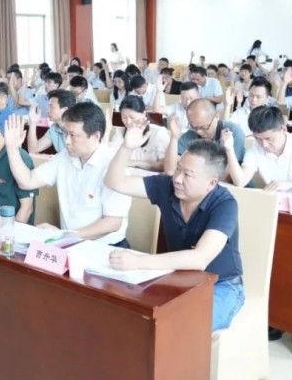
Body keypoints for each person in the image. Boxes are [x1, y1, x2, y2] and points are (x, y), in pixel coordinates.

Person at [105, 136, 244, 332]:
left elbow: (200, 259)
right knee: (130, 311)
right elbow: (115, 182)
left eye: (188, 174)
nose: (177, 179)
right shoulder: (167, 186)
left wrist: (139, 261)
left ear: (211, 183)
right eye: (178, 168)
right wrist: (126, 147)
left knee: (184, 326)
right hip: (178, 278)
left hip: (222, 286)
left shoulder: (225, 204)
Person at [4, 103, 132, 246]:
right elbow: (27, 181)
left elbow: (112, 223)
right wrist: (12, 148)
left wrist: (66, 235)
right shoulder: (64, 156)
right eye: (65, 133)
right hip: (70, 242)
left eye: (73, 135)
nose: (66, 141)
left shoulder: (114, 165)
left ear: (95, 136)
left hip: (105, 247)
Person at [224, 106, 292, 202]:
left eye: (269, 138)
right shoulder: (256, 148)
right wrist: (229, 149)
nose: (264, 144)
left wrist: (290, 184)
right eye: (258, 138)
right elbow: (240, 182)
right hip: (280, 207)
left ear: (283, 129)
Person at [164, 99, 245, 176]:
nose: (198, 131)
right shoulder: (190, 134)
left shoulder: (232, 132)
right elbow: (170, 171)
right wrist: (174, 138)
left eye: (204, 127)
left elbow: (229, 175)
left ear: (216, 117)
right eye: (193, 126)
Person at [109, 96, 169, 172]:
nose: (128, 122)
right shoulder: (119, 131)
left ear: (143, 114)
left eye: (132, 117)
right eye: (124, 117)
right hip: (126, 175)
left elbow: (164, 165)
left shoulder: (158, 132)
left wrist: (134, 163)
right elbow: (111, 158)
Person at [27, 89, 76, 154]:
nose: (47, 111)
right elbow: (33, 150)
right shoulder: (54, 128)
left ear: (65, 110)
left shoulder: (79, 129)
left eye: (51, 107)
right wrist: (33, 123)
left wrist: (50, 157)